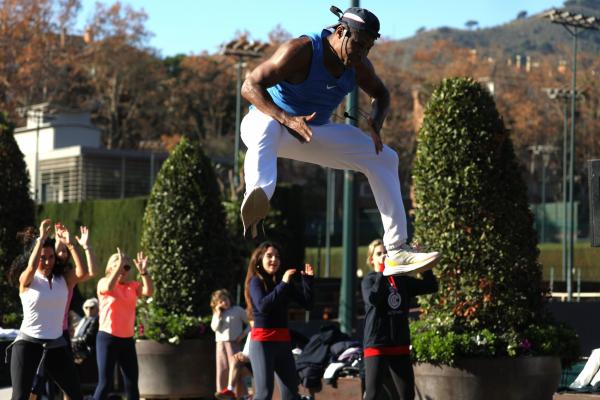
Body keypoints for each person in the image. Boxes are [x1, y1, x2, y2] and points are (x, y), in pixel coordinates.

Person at [239, 5, 439, 275]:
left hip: (311, 132)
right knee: (268, 129)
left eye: (367, 49)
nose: (360, 54)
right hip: (265, 121)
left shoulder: (358, 66)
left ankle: (397, 250)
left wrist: (376, 124)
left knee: (385, 157)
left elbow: (382, 95)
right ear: (342, 31)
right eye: (358, 45)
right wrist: (287, 119)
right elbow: (249, 86)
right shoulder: (302, 50)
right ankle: (257, 198)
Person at [8, 219, 85, 400]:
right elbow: (31, 266)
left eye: (51, 257)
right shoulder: (27, 280)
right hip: (27, 345)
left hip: (55, 345)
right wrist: (41, 239)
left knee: (76, 395)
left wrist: (71, 246)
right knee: (20, 397)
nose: (48, 262)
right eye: (43, 258)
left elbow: (82, 272)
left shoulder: (62, 279)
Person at [361, 238, 438, 400]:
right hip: (377, 344)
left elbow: (432, 285)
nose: (383, 256)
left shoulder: (401, 281)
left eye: (386, 253)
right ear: (371, 259)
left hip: (399, 344)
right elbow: (373, 299)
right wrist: (383, 271)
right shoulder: (368, 281)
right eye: (379, 254)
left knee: (407, 395)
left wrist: (420, 257)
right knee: (373, 395)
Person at [244, 241, 313, 400]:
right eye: (269, 256)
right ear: (260, 259)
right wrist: (283, 283)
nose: (274, 259)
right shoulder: (256, 281)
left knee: (291, 395)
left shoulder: (284, 283)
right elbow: (263, 306)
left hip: (282, 342)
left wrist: (308, 282)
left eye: (277, 257)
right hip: (262, 342)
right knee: (264, 394)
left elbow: (307, 304)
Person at [93, 250, 154, 400]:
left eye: (126, 268)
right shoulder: (103, 282)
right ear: (110, 268)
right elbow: (108, 287)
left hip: (127, 340)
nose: (122, 270)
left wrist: (144, 272)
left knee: (132, 384)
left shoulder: (132, 286)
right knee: (105, 383)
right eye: (118, 266)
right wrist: (119, 266)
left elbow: (149, 291)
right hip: (107, 338)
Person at [211, 289, 250, 399]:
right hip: (220, 345)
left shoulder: (237, 310)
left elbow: (250, 323)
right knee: (222, 370)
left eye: (225, 299)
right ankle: (222, 393)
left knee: (236, 369)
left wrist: (243, 335)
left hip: (233, 343)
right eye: (221, 301)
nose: (224, 302)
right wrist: (218, 313)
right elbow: (214, 328)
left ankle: (239, 394)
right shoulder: (217, 313)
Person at [71, 298, 100, 364]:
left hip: (89, 355)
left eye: (92, 307)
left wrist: (72, 341)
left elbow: (87, 338)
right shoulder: (84, 320)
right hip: (79, 352)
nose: (89, 310)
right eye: (86, 307)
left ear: (97, 308)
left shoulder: (96, 320)